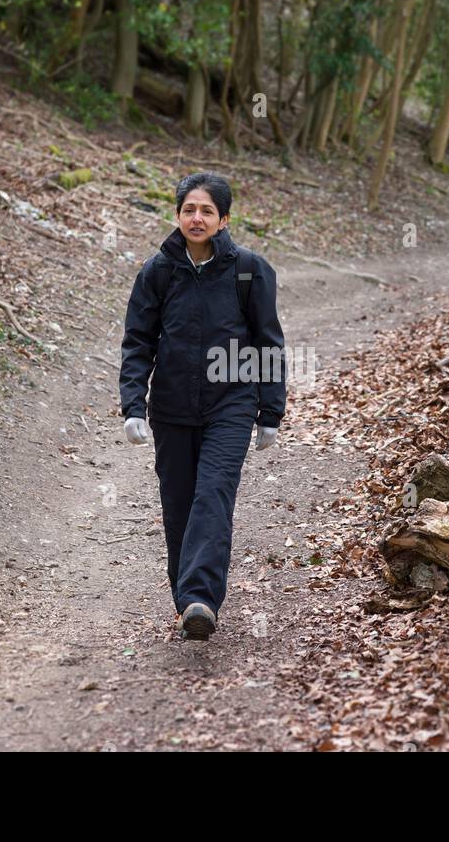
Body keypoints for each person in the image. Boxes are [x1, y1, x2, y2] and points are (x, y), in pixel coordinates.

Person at [119, 172, 286, 641]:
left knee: (212, 495)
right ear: (177, 215)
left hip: (230, 406)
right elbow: (138, 342)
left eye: (207, 211)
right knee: (178, 506)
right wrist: (133, 404)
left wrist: (270, 410)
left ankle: (200, 598)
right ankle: (186, 602)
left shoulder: (249, 270)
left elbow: (268, 342)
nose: (197, 217)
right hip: (170, 409)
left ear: (224, 219)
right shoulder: (157, 271)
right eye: (189, 209)